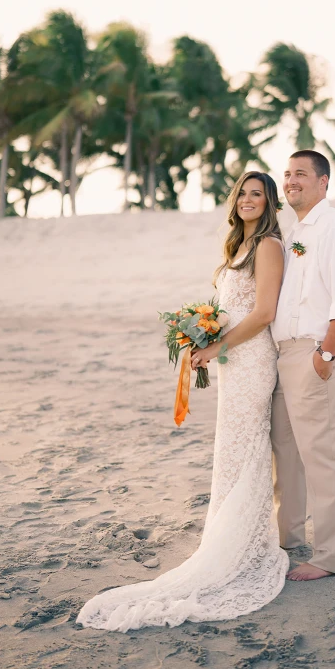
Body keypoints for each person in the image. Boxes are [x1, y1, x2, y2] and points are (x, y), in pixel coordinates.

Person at [76, 171, 289, 631]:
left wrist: (216, 346)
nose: (249, 200)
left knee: (246, 446)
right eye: (243, 194)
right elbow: (234, 307)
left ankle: (243, 542)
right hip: (236, 361)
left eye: (258, 194)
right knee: (230, 448)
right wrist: (204, 330)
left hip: (251, 362)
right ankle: (228, 534)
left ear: (270, 204)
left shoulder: (269, 245)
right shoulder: (238, 248)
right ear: (234, 202)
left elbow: (265, 312)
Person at [271, 150, 335, 582]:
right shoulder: (296, 231)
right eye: (287, 174)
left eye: (301, 174)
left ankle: (331, 556)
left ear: (324, 182)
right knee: (286, 454)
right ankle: (286, 539)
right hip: (285, 356)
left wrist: (325, 355)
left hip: (317, 353)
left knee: (324, 456)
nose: (291, 181)